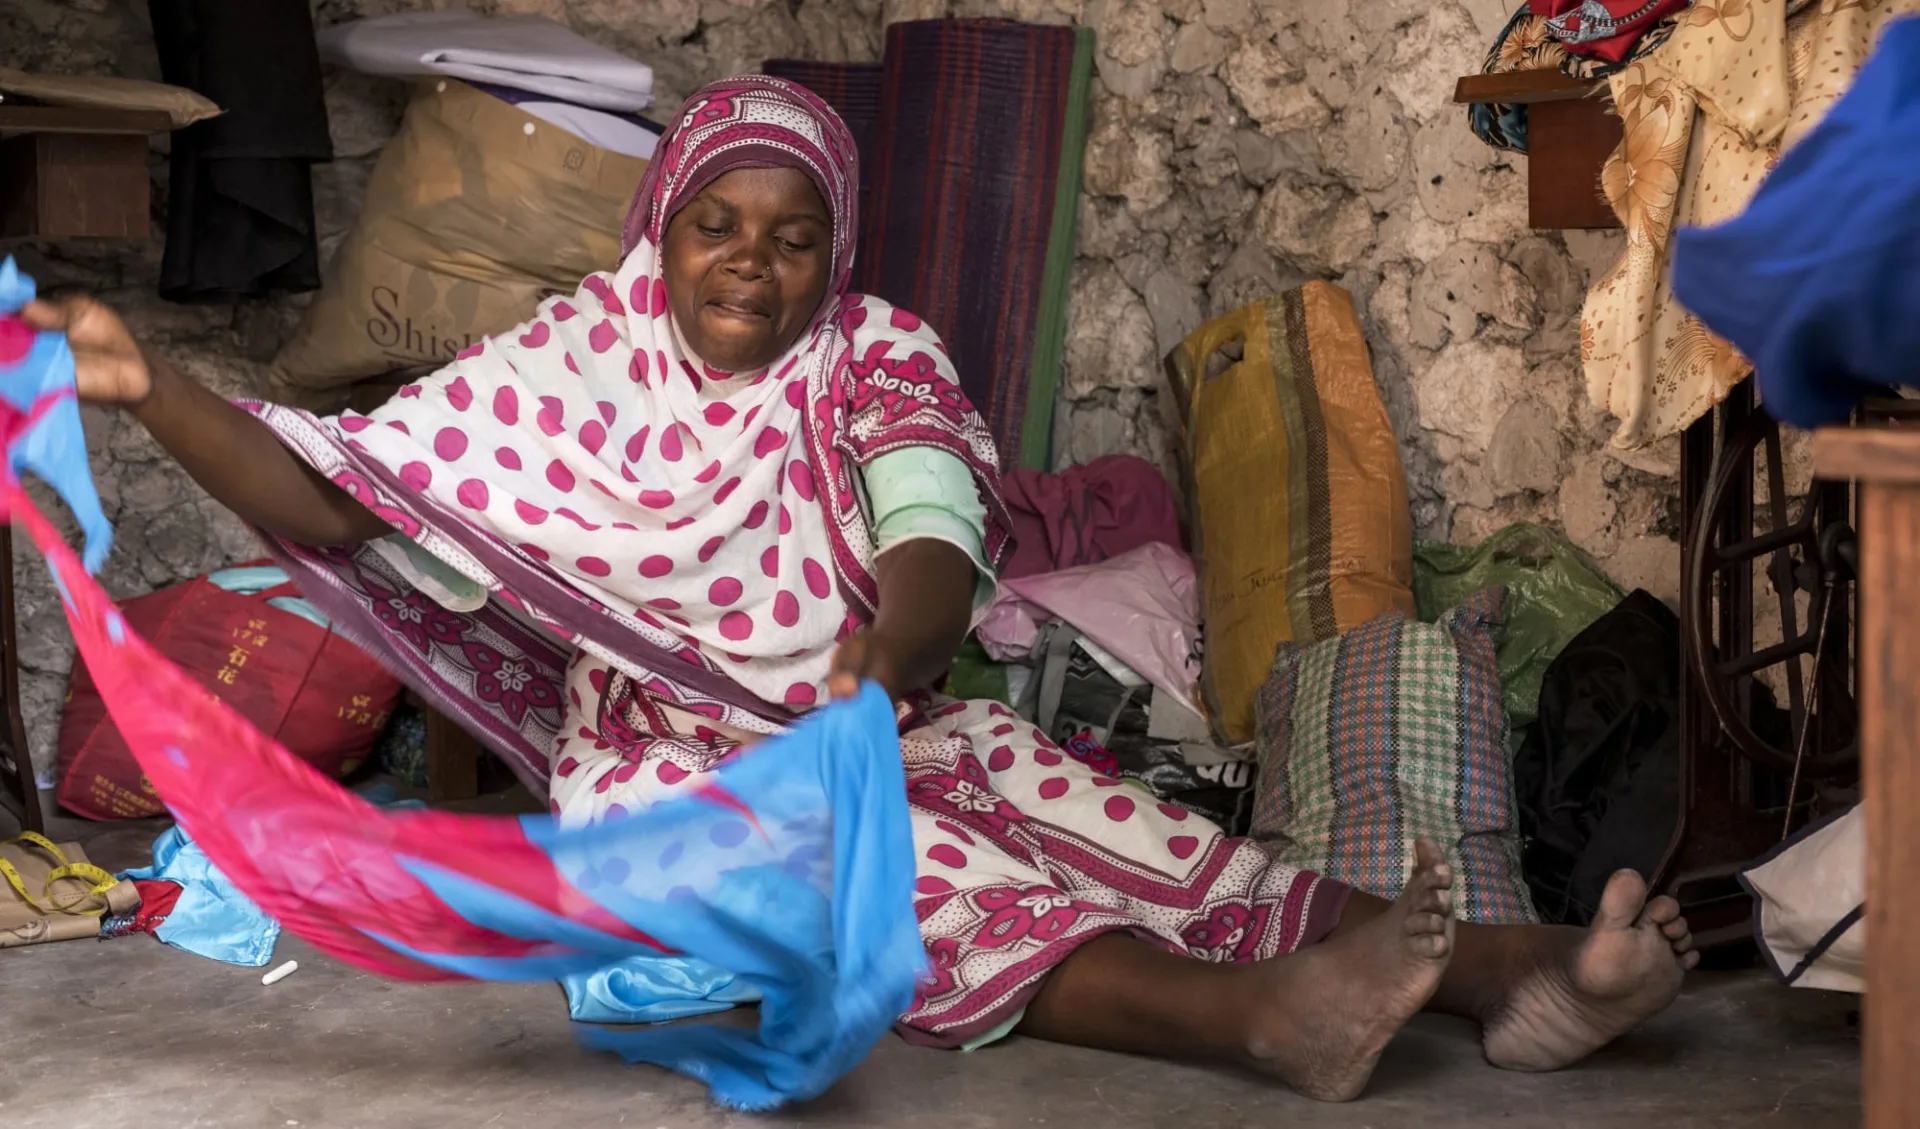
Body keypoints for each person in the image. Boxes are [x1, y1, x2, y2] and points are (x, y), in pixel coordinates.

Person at [23, 76, 1698, 1102]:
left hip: (882, 705)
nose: (752, 262)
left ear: (838, 251)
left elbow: (935, 540)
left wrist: (885, 667)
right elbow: (330, 495)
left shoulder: (873, 361)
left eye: (793, 234)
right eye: (719, 227)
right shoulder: (566, 368)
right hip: (669, 771)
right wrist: (148, 389)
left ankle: (1520, 976)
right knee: (930, 875)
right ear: (666, 232)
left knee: (1138, 829)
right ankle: (1255, 1024)